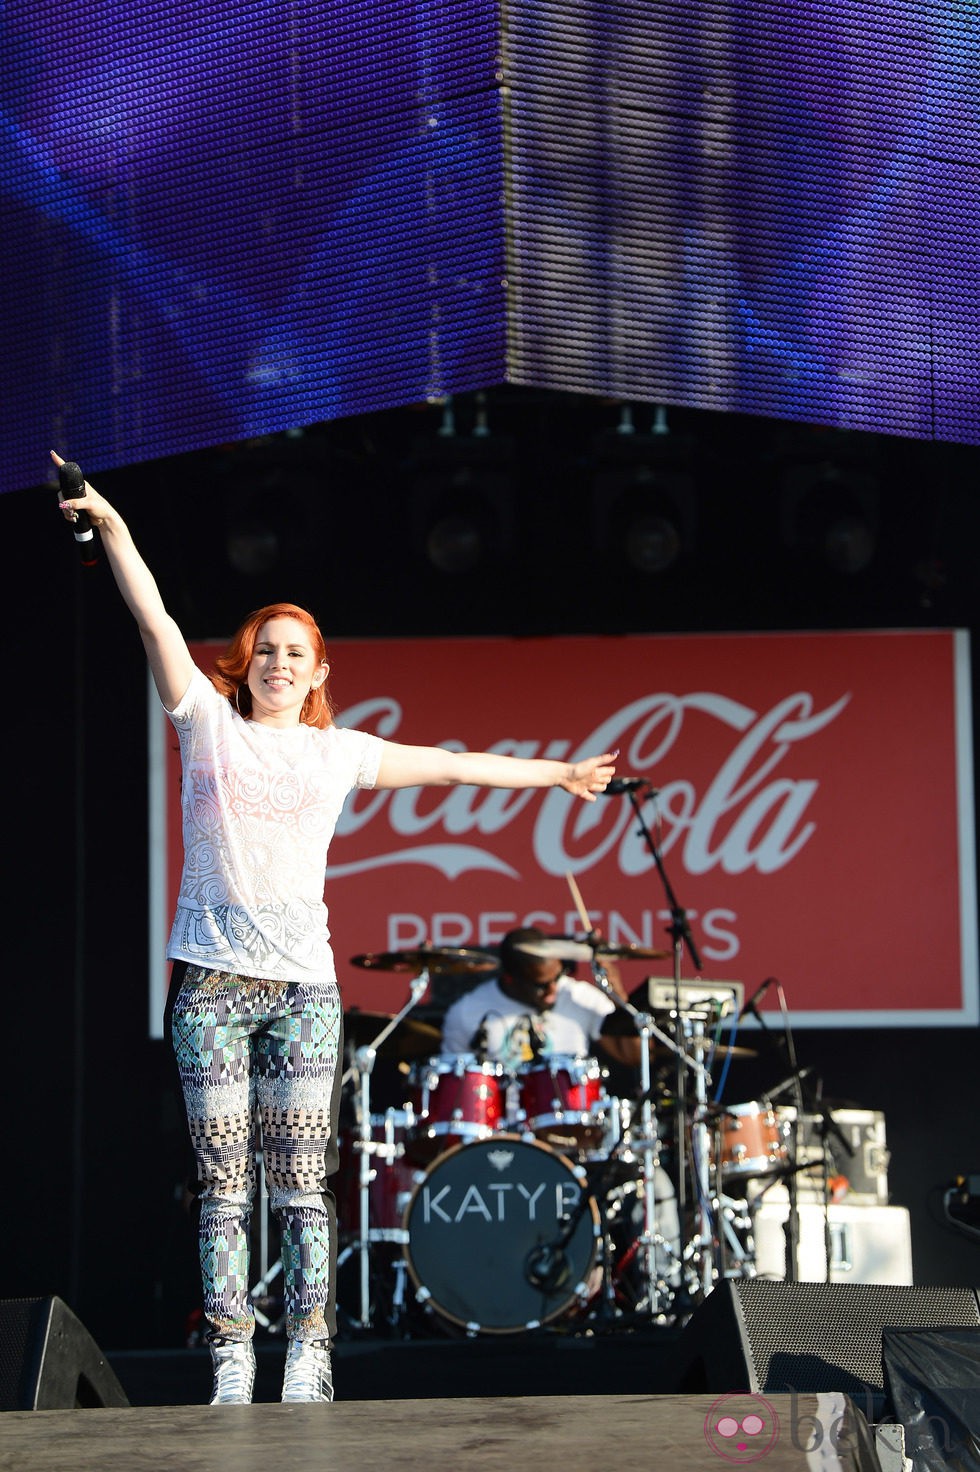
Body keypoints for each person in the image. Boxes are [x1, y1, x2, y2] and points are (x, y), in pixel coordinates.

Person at [52, 452, 618, 1406]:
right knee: (225, 1185)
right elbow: (150, 612)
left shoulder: (339, 751)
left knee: (302, 1185)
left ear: (319, 672)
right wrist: (111, 524)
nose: (277, 663)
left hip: (307, 991)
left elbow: (449, 763)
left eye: (294, 653)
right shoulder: (204, 721)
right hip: (212, 986)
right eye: (263, 648)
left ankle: (308, 1354)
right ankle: (234, 1356)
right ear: (245, 660)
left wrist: (557, 776)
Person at [440, 926, 682, 1296]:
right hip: (505, 1146)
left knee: (653, 1182)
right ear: (510, 977)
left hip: (578, 1144)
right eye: (541, 986)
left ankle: (661, 1293)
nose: (553, 991)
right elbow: (455, 1098)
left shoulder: (579, 997)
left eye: (558, 978)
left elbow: (632, 1052)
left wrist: (608, 977)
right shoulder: (467, 1012)